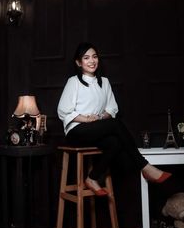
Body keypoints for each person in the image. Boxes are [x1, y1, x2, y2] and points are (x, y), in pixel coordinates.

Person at [57, 42, 172, 196]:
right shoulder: (74, 82)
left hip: (96, 130)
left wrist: (99, 117)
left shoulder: (104, 82)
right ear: (78, 62)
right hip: (76, 132)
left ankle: (92, 178)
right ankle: (144, 166)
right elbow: (63, 110)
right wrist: (86, 119)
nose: (92, 61)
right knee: (115, 125)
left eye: (94, 57)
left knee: (115, 142)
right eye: (86, 58)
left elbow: (112, 109)